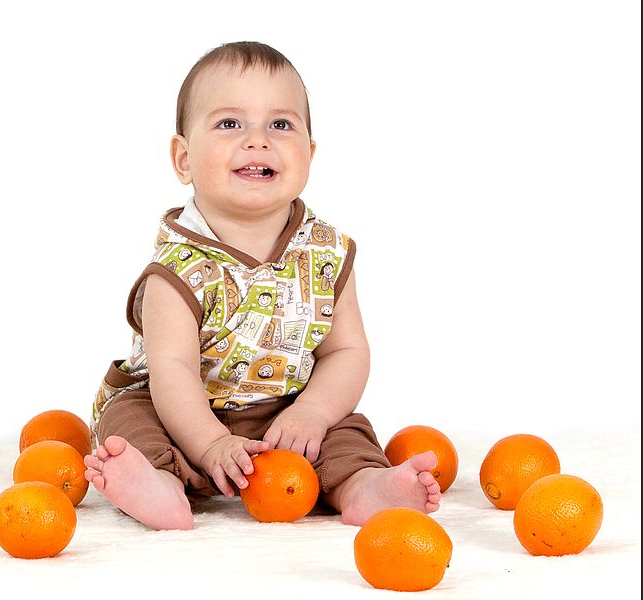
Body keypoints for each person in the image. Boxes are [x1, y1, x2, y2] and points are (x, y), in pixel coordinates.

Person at [83, 41, 441, 530]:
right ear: (183, 158)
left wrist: (312, 412)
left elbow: (346, 352)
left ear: (309, 154)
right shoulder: (178, 268)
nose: (258, 140)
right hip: (180, 405)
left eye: (281, 124)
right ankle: (158, 485)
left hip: (285, 407)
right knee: (129, 422)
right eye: (230, 123)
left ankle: (364, 486)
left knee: (347, 431)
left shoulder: (326, 253)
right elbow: (173, 371)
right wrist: (210, 444)